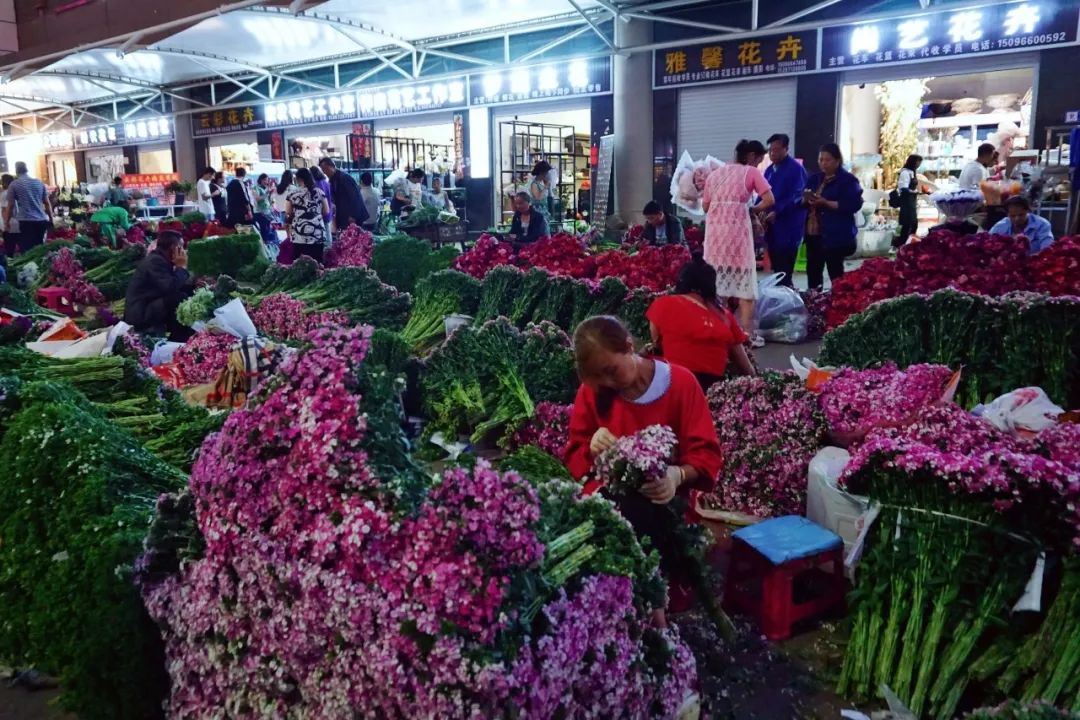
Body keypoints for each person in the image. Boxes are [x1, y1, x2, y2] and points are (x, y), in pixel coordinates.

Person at [565, 315, 723, 613]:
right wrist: (592, 445)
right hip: (608, 498)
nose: (608, 383)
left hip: (666, 499)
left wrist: (677, 475)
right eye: (599, 378)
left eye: (611, 371)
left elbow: (705, 456)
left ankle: (651, 604)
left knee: (651, 525)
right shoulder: (594, 390)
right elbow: (576, 451)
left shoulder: (680, 384)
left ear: (628, 346)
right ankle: (645, 604)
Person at [701, 139, 775, 346]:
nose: (759, 164)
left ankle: (720, 332)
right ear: (752, 156)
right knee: (745, 286)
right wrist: (753, 210)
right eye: (759, 159)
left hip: (715, 238)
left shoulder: (714, 175)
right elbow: (769, 199)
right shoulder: (751, 173)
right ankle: (746, 335)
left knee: (718, 287)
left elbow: (705, 207)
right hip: (737, 236)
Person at [646, 255, 755, 391]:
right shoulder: (725, 315)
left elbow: (656, 341)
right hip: (711, 389)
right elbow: (744, 364)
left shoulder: (663, 304)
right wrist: (757, 384)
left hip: (673, 384)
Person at [803, 144, 864, 291]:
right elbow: (801, 197)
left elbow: (853, 205)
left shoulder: (848, 181)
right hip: (814, 233)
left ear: (837, 161)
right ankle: (815, 302)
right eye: (821, 160)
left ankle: (838, 303)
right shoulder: (815, 178)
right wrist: (805, 200)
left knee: (835, 272)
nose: (823, 163)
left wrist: (826, 203)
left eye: (827, 160)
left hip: (836, 234)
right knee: (813, 271)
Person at [123, 230, 194, 341]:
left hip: (149, 305)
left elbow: (171, 284)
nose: (183, 251)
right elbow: (170, 287)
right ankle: (180, 338)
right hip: (141, 313)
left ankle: (183, 335)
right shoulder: (155, 261)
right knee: (178, 299)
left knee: (185, 294)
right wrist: (181, 267)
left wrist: (193, 285)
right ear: (173, 247)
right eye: (181, 247)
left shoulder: (160, 259)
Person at [762, 133, 807, 287]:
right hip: (772, 228)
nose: (772, 154)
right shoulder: (768, 170)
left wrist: (778, 211)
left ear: (786, 149)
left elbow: (797, 196)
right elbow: (763, 194)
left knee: (785, 271)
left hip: (788, 227)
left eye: (776, 150)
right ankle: (779, 299)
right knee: (776, 270)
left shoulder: (795, 170)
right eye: (770, 151)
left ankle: (787, 303)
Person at [4, 162, 53, 253]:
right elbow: (47, 203)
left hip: (26, 221)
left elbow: (10, 206)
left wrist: (6, 222)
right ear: (26, 169)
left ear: (16, 170)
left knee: (28, 250)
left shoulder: (14, 184)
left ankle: (32, 266)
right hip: (41, 220)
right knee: (40, 248)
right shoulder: (39, 183)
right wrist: (51, 218)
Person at [286, 167, 330, 263]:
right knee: (318, 264)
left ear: (297, 179)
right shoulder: (319, 192)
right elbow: (326, 211)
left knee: (300, 265)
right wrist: (315, 215)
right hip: (317, 233)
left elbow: (288, 212)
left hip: (299, 234)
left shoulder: (292, 194)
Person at [318, 157, 369, 232]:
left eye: (325, 169)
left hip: (351, 216)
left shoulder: (344, 178)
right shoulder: (332, 180)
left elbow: (355, 197)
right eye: (322, 170)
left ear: (332, 166)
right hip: (343, 216)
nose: (324, 172)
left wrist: (353, 216)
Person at [990, 195, 1055, 254]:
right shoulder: (1000, 226)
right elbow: (988, 243)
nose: (1017, 219)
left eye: (1021, 215)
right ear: (1007, 214)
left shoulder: (1042, 225)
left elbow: (1047, 249)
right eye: (1012, 216)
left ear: (1028, 211)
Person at [895, 154, 922, 248]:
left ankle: (909, 242)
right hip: (906, 201)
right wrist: (914, 192)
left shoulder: (912, 172)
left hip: (912, 200)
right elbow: (903, 188)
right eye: (917, 162)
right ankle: (903, 243)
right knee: (908, 223)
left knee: (913, 223)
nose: (919, 164)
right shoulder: (905, 173)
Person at [252, 173, 277, 248]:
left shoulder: (266, 188)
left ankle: (267, 245)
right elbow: (257, 198)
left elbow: (269, 200)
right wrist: (267, 193)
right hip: (260, 212)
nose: (267, 181)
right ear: (261, 180)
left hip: (268, 212)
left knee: (267, 229)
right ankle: (263, 245)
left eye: (268, 179)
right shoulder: (255, 188)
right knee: (263, 229)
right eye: (266, 179)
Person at [1, 174, 19, 256]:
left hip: (9, 224)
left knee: (10, 249)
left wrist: (5, 224)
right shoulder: (16, 192)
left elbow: (5, 210)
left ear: (5, 182)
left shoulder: (5, 194)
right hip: (17, 223)